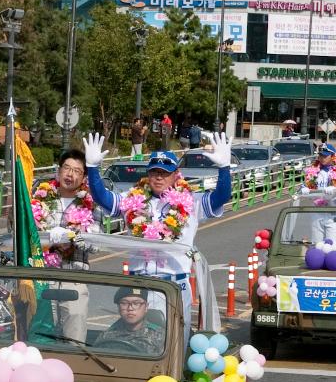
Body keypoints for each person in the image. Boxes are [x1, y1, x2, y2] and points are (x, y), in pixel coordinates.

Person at [83, 133, 233, 318]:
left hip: (174, 284)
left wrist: (224, 167)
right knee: (139, 342)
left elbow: (221, 197)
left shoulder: (191, 201)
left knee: (175, 342)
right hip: (139, 287)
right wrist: (92, 167)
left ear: (176, 175)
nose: (159, 178)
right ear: (148, 175)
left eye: (165, 173)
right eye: (154, 172)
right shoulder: (132, 199)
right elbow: (102, 198)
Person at [102, 287, 164, 356]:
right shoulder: (107, 335)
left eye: (136, 303)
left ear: (146, 307)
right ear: (118, 307)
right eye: (124, 303)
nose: (130, 308)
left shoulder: (160, 336)